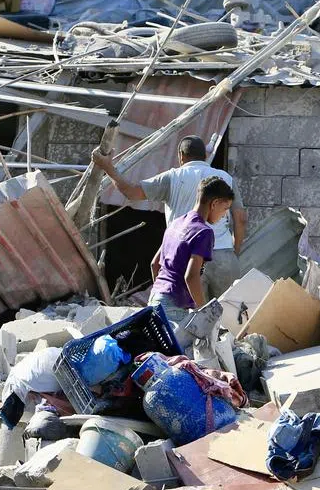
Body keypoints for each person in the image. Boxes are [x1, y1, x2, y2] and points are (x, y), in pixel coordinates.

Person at [92, 135, 247, 298]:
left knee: (191, 318)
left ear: (181, 156)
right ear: (205, 156)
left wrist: (108, 168)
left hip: (185, 260)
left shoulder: (172, 178)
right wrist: (233, 253)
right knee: (230, 318)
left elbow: (131, 192)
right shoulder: (226, 179)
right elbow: (241, 219)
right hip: (224, 258)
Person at [148, 177, 236, 346]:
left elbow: (154, 264)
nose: (225, 214)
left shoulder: (175, 223)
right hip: (173, 307)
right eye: (225, 208)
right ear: (214, 203)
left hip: (154, 300)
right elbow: (191, 276)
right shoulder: (203, 232)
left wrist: (161, 292)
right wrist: (204, 312)